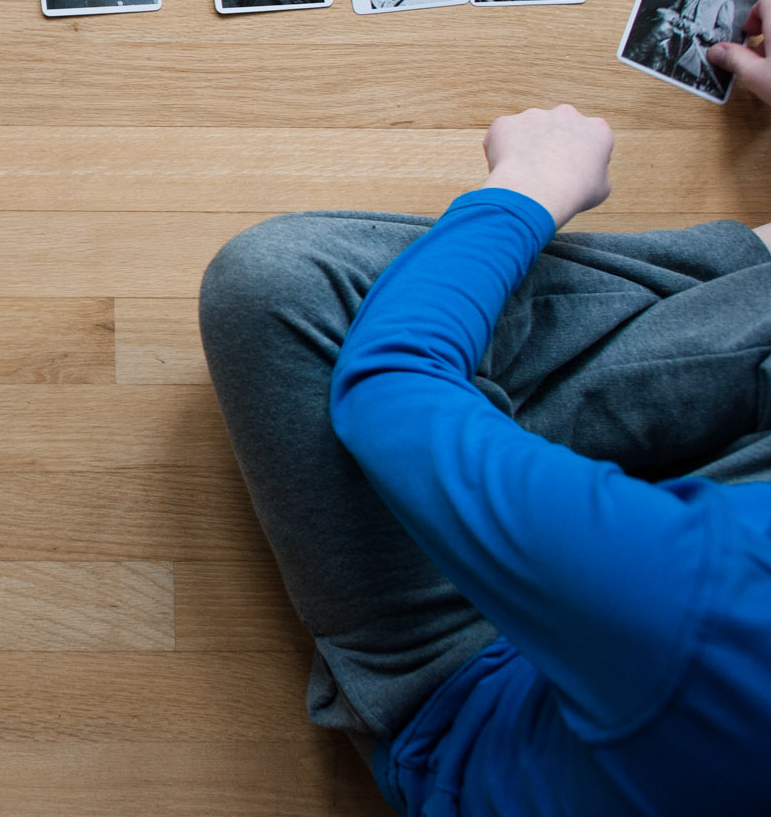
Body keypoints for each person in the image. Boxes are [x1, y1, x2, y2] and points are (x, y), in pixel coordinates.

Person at [198, 101, 771, 816]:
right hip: (668, 616)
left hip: (466, 675)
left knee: (276, 285)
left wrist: (529, 186)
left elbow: (391, 390)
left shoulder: (709, 599)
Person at [635, 0, 738, 95]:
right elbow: (673, 11)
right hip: (674, 37)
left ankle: (637, 56)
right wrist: (662, 13)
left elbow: (725, 34)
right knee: (660, 40)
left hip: (698, 48)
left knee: (662, 32)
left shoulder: (724, 2)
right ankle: (637, 66)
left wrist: (702, 30)